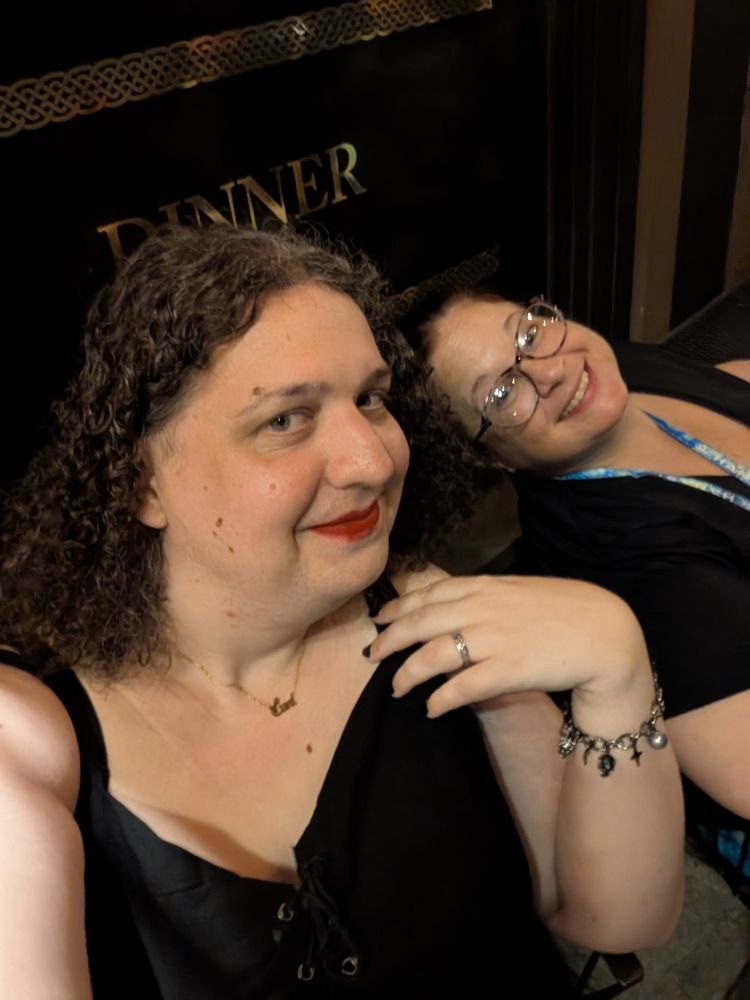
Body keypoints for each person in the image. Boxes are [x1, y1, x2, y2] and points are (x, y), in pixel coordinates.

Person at [0, 226, 683, 999]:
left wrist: (617, 667)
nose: (375, 460)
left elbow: (620, 922)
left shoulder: (432, 618)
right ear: (141, 485)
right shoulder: (34, 735)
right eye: (285, 419)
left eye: (370, 399)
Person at [419, 289, 750, 827]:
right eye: (502, 393)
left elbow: (725, 386)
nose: (549, 370)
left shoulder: (608, 376)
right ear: (488, 457)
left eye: (527, 332)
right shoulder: (629, 567)